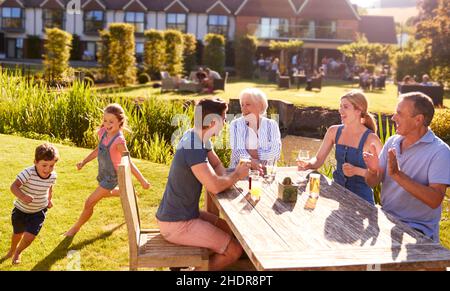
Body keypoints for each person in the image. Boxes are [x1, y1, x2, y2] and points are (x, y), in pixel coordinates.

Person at [156, 98, 249, 271]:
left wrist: (226, 180)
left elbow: (217, 165)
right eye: (224, 118)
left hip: (183, 213)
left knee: (228, 228)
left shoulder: (197, 136)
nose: (225, 122)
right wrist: (235, 175)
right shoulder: (193, 146)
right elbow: (213, 186)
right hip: (177, 223)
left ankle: (190, 262)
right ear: (213, 121)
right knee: (234, 250)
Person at [364, 92, 450, 242]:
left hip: (417, 230)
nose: (393, 118)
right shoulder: (392, 142)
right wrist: (372, 171)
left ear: (418, 120)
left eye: (399, 113)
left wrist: (398, 175)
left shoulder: (440, 152)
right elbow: (372, 182)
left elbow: (435, 199)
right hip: (387, 218)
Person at [65, 103, 150, 236]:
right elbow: (98, 150)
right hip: (104, 173)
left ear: (120, 122)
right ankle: (125, 192)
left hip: (113, 176)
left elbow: (128, 161)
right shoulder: (103, 133)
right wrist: (84, 161)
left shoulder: (119, 141)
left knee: (89, 202)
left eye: (111, 121)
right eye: (105, 120)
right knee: (103, 194)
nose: (107, 124)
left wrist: (142, 180)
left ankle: (74, 229)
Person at [298, 90, 383, 204]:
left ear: (359, 110)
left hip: (362, 201)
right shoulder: (333, 131)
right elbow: (318, 160)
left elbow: (380, 176)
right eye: (340, 106)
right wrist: (309, 164)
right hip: (336, 194)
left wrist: (356, 171)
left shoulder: (371, 139)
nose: (340, 110)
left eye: (346, 107)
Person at [3, 143, 59, 264]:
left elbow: (50, 187)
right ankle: (12, 250)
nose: (48, 169)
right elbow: (13, 186)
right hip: (21, 210)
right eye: (44, 165)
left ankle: (18, 252)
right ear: (35, 162)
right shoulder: (28, 173)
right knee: (18, 234)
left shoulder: (52, 176)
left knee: (29, 237)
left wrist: (49, 199)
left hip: (38, 211)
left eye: (51, 166)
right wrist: (22, 196)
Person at [229, 88, 281, 171]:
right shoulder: (235, 124)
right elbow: (238, 152)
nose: (243, 108)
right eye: (242, 105)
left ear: (259, 105)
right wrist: (252, 162)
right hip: (240, 174)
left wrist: (253, 152)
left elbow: (275, 153)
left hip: (267, 173)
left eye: (248, 104)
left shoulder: (272, 125)